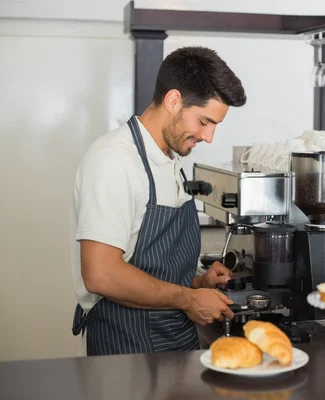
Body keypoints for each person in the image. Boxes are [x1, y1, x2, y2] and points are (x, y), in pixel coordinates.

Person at [70, 46, 247, 356]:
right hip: (126, 346)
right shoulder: (114, 160)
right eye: (204, 122)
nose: (209, 137)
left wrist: (196, 283)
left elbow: (149, 265)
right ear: (173, 100)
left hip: (174, 337)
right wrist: (189, 300)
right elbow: (101, 274)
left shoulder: (168, 159)